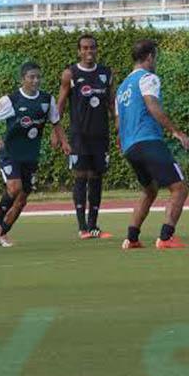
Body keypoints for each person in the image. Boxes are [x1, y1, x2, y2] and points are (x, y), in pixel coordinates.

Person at [116, 39, 189, 250]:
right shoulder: (148, 78)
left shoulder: (122, 88)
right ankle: (166, 238)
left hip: (130, 147)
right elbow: (152, 106)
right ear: (150, 56)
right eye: (155, 56)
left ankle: (132, 238)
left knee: (149, 190)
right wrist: (176, 131)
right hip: (148, 140)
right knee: (180, 188)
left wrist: (123, 145)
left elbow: (118, 121)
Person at [0, 62, 67, 247]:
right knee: (14, 188)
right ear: (23, 79)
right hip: (10, 153)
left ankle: (3, 232)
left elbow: (56, 122)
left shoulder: (47, 100)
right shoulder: (10, 100)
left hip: (31, 156)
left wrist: (64, 142)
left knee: (21, 200)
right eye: (31, 77)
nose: (36, 80)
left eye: (38, 76)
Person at [55, 34, 115, 239]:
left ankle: (93, 225)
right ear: (79, 51)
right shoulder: (70, 74)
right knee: (81, 176)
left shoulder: (106, 73)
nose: (89, 52)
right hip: (79, 135)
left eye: (92, 48)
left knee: (97, 177)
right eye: (85, 48)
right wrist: (57, 131)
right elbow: (60, 104)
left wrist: (119, 125)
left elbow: (112, 103)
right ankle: (82, 227)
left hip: (101, 135)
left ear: (97, 50)